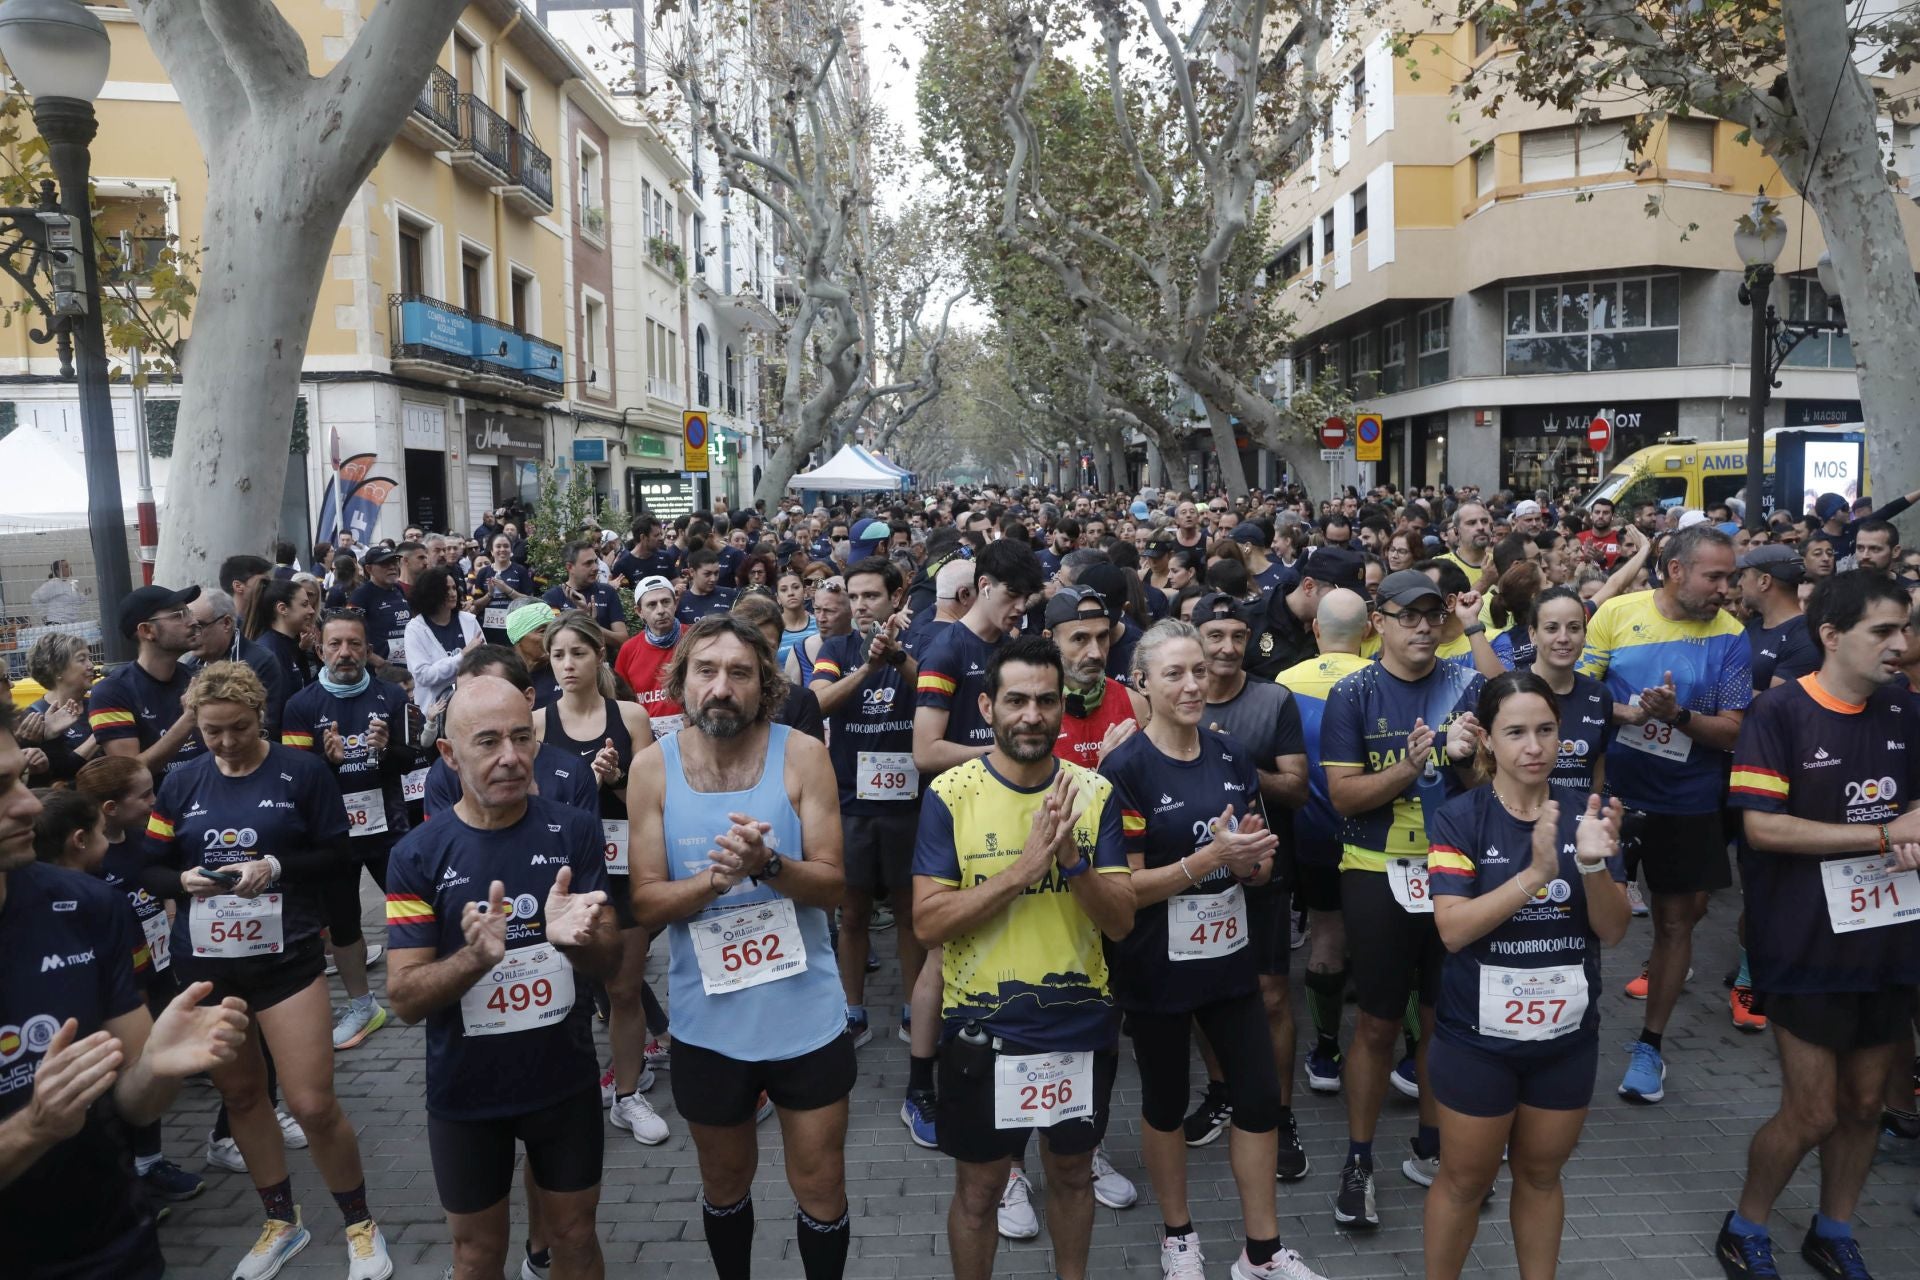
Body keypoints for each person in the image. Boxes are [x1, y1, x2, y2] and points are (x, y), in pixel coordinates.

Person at [139, 661, 394, 1279]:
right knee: (244, 1095)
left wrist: (276, 868)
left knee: (311, 1103)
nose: (225, 743)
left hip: (287, 959)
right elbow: (148, 863)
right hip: (208, 967)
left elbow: (339, 851)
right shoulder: (180, 783)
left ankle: (360, 1226)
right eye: (210, 731)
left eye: (238, 728)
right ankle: (281, 1222)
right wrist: (182, 879)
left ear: (261, 718)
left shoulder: (301, 772)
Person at [629, 615, 855, 1280]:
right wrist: (715, 879)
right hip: (709, 1028)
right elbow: (644, 901)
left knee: (820, 1187)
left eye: (739, 673)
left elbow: (837, 887)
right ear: (681, 682)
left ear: (764, 687)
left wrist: (770, 866)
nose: (721, 687)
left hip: (806, 1021)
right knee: (725, 1186)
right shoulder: (652, 770)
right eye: (706, 670)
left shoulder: (803, 756)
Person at [1100, 621, 1325, 1280]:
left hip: (1229, 961)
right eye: (1175, 673)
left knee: (1257, 1100)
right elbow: (1128, 889)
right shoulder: (1127, 768)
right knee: (1167, 1104)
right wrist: (1209, 859)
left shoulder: (1229, 757)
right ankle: (1179, 1237)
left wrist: (1251, 861)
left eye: (1198, 671)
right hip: (1155, 965)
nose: (1193, 684)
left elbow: (1244, 865)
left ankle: (1262, 1251)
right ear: (1141, 683)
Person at [1715, 571, 1920, 1280]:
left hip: (1890, 941)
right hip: (1803, 944)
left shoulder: (1906, 715)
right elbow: (1764, 829)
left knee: (1865, 1105)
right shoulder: (1778, 715)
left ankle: (1833, 1231)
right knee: (1812, 1112)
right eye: (1884, 632)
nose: (1902, 645)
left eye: (1906, 629)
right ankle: (1747, 1224)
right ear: (1831, 636)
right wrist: (1884, 833)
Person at [385, 675, 622, 1280]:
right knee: (476, 1254)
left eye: (522, 737)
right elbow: (406, 999)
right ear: (449, 754)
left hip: (563, 1084)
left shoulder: (574, 830)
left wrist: (584, 941)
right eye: (487, 742)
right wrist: (473, 960)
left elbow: (611, 966)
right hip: (467, 1095)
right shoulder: (417, 854)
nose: (511, 757)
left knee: (574, 1236)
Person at [912, 636, 1135, 1280]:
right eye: (1015, 700)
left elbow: (1120, 923)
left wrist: (1073, 862)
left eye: (1045, 701)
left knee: (1070, 1174)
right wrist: (1023, 870)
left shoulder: (1092, 794)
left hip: (1078, 1026)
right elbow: (928, 922)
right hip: (982, 1033)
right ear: (987, 707)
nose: (1031, 715)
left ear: (1063, 708)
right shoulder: (951, 793)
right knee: (980, 1192)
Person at [0, 715, 251, 1280]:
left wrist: (159, 1066)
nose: (28, 806)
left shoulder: (86, 904)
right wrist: (32, 1128)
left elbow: (135, 1103)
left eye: (19, 779)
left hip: (113, 1246)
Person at [1422, 673, 1630, 1278]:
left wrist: (1591, 864)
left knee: (1541, 1177)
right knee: (1464, 1181)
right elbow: (1453, 929)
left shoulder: (1583, 818)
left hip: (1565, 1042)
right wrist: (1535, 876)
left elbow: (1614, 931)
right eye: (1516, 732)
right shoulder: (1460, 819)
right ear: (1488, 740)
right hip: (1476, 1044)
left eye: (1545, 730)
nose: (1533, 746)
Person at [1319, 569, 1487, 1228]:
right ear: (1377, 622)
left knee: (1443, 1017)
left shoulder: (1466, 684)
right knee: (1381, 1022)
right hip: (1376, 867)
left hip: (1454, 870)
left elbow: (1488, 789)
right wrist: (1413, 766)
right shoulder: (1352, 692)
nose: (1422, 627)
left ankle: (1432, 1145)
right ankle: (1359, 1158)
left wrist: (1468, 761)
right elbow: (1343, 797)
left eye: (1431, 615)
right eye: (1407, 615)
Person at [1578, 524, 1750, 1103]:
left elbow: (1731, 733)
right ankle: (1571, 1033)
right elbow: (1578, 694)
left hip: (1688, 799)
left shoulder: (1730, 634)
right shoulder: (1617, 614)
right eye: (1715, 576)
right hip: (1613, 795)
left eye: (1730, 577)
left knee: (1678, 922)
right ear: (1676, 570)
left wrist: (1677, 717)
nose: (1726, 588)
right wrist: (1623, 712)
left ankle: (1650, 1046)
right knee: (1586, 921)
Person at [1182, 593, 1312, 1179]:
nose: (1228, 647)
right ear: (1196, 639)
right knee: (1204, 996)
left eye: (1238, 635)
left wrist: (1232, 757)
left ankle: (1279, 1114)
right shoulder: (1174, 698)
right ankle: (1221, 1091)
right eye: (1216, 636)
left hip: (1263, 869)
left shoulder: (1273, 698)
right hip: (1193, 875)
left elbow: (1296, 789)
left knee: (1272, 996)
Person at [534, 612, 665, 1146]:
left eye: (578, 653)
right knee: (572, 991)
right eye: (558, 655)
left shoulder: (630, 716)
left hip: (624, 868)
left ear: (599, 657)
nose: (568, 664)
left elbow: (653, 800)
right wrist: (573, 790)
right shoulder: (538, 723)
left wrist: (616, 780)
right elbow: (531, 807)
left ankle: (628, 1095)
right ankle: (566, 1093)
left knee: (624, 989)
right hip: (567, 874)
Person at [283, 607, 427, 1050]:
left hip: (390, 829)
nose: (345, 653)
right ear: (320, 647)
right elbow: (292, 781)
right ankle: (364, 1005)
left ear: (367, 649)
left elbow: (413, 760)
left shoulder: (392, 696)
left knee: (420, 908)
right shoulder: (301, 705)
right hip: (333, 837)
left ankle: (438, 986)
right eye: (336, 645)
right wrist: (322, 765)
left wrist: (386, 752)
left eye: (354, 645)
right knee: (343, 923)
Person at [809, 556, 922, 1049]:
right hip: (850, 805)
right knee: (851, 916)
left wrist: (895, 657)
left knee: (909, 915)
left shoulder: (921, 643)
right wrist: (868, 669)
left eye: (871, 596)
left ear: (896, 597)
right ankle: (852, 1011)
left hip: (909, 806)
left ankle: (914, 1009)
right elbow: (817, 702)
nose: (860, 606)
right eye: (853, 597)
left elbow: (937, 694)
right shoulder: (836, 647)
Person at [1275, 589, 1375, 1100]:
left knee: (1326, 941)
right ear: (1370, 630)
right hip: (1374, 835)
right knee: (1387, 946)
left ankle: (1327, 1051)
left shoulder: (1283, 684)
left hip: (1314, 836)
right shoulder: (1381, 681)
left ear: (1315, 629)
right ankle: (1406, 1046)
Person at [90, 584, 205, 778]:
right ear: (146, 630)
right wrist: (188, 721)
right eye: (178, 615)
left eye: (189, 612)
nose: (193, 621)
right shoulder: (111, 692)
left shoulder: (198, 678)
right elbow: (128, 773)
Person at [612, 576, 687, 737]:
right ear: (639, 612)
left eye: (665, 602)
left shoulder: (695, 638)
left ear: (676, 603)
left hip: (692, 735)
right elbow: (622, 703)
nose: (660, 610)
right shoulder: (628, 650)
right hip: (646, 739)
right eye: (652, 605)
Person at [405, 566, 484, 714]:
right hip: (435, 712)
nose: (452, 593)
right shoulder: (415, 629)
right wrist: (462, 656)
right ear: (430, 592)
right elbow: (423, 676)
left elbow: (485, 662)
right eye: (446, 589)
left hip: (473, 706)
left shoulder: (469, 621)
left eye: (454, 588)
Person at [24, 632, 98, 783]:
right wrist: (101, 733)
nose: (91, 665)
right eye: (81, 659)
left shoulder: (98, 705)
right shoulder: (34, 718)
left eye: (89, 658)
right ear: (57, 671)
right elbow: (56, 772)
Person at [543, 540, 630, 646]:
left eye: (595, 561)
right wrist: (582, 620)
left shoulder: (608, 592)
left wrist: (589, 623)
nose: (596, 568)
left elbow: (623, 640)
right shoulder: (552, 597)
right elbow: (552, 639)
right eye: (588, 563)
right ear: (570, 567)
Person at [351, 546, 414, 683]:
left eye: (394, 562)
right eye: (385, 564)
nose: (392, 567)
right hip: (379, 671)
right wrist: (375, 660)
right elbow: (350, 632)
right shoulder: (361, 595)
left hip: (406, 668)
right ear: (369, 569)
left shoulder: (398, 589)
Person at [676, 549, 737, 625]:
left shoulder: (730, 595)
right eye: (707, 574)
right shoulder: (680, 600)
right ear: (692, 572)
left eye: (716, 573)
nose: (713, 579)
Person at [777, 567, 819, 665]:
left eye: (795, 587)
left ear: (804, 592)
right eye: (784, 590)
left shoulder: (820, 624)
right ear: (778, 598)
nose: (791, 593)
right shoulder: (773, 629)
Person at [30, 558, 87, 626]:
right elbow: (35, 597)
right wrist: (43, 615)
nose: (70, 568)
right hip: (56, 623)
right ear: (58, 571)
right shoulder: (53, 583)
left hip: (71, 624)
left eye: (69, 566)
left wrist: (85, 594)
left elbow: (77, 601)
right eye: (66, 566)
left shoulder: (72, 583)